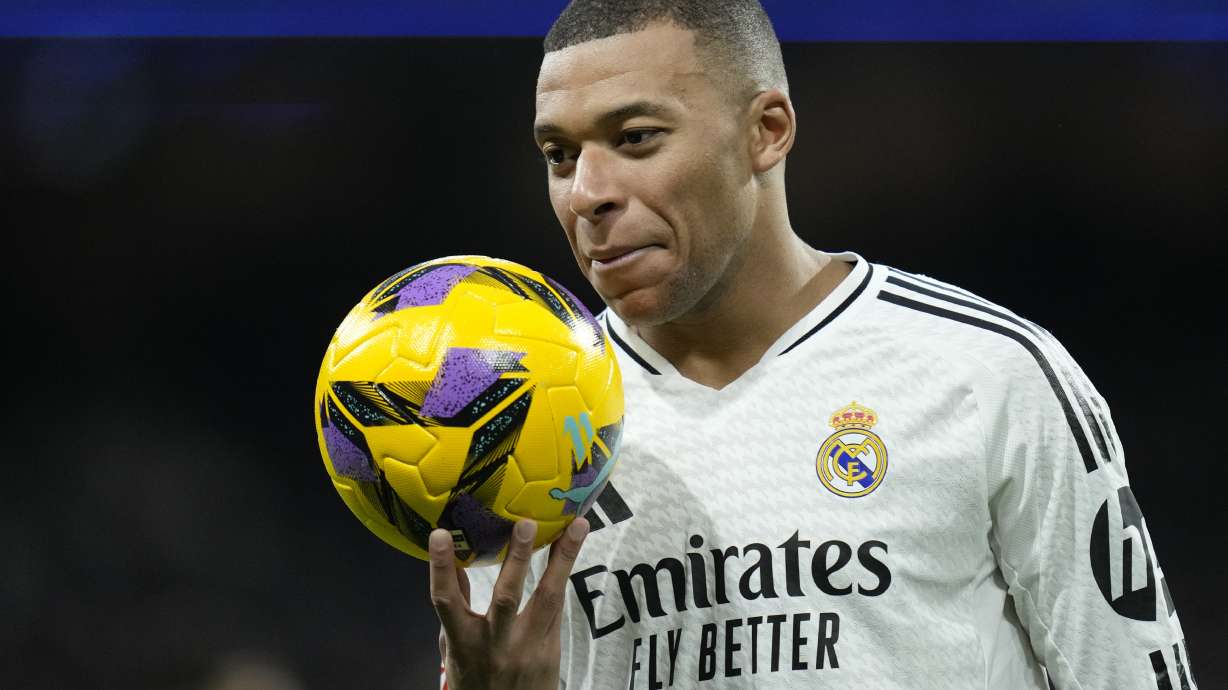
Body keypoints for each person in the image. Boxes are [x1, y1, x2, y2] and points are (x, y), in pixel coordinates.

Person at [428, 1, 1196, 688]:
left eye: (635, 138)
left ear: (766, 132)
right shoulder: (514, 432)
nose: (588, 192)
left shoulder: (986, 375)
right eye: (559, 155)